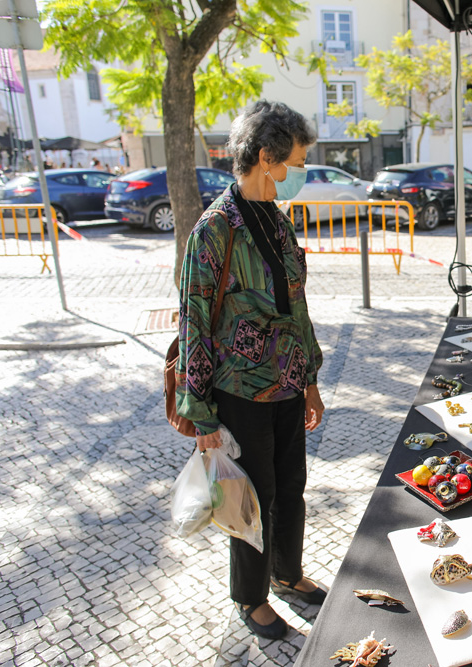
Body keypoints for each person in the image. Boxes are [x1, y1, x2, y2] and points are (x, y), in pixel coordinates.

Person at [176, 100, 327, 640]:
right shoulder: (215, 230)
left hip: (287, 384)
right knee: (251, 496)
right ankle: (250, 597)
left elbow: (298, 307)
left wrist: (310, 382)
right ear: (266, 157)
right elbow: (193, 322)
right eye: (292, 163)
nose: (294, 175)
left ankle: (288, 575)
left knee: (291, 487)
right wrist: (201, 416)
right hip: (238, 392)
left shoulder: (278, 222)